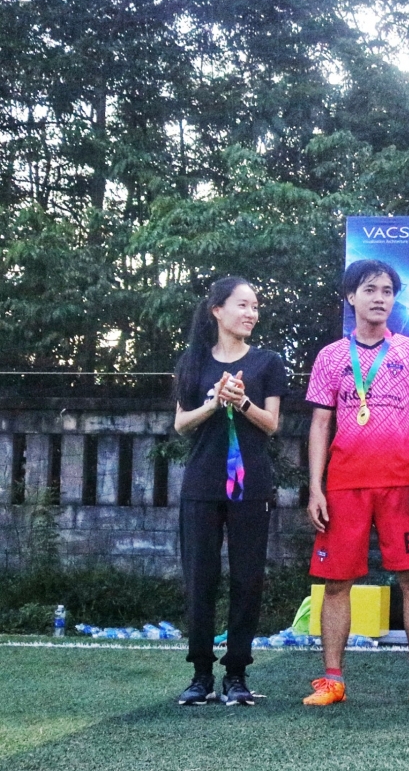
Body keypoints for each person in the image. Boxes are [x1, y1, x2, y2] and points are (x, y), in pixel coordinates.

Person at [302, 259, 409, 708]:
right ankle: (332, 681)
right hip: (345, 484)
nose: (379, 298)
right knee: (336, 583)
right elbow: (320, 424)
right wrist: (315, 486)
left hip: (401, 484)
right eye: (370, 289)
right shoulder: (331, 356)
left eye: (387, 291)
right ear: (351, 297)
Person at [173, 277, 286, 706]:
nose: (251, 313)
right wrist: (214, 402)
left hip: (249, 485)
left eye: (255, 306)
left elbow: (272, 424)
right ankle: (201, 674)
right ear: (217, 310)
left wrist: (241, 402)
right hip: (202, 484)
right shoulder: (193, 361)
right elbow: (181, 424)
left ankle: (236, 674)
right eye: (243, 305)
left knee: (247, 579)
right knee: (200, 579)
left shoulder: (267, 362)